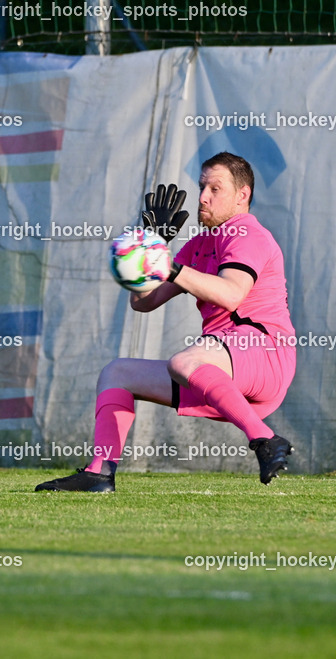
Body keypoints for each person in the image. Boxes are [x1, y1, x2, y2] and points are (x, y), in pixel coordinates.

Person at [36, 152, 296, 492]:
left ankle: (265, 439)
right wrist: (151, 246)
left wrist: (169, 266)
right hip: (222, 367)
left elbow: (231, 294)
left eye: (215, 189)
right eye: (202, 187)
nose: (203, 197)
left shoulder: (246, 233)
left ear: (242, 195)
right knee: (117, 373)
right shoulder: (200, 245)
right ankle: (99, 473)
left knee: (184, 362)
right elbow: (144, 302)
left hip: (264, 353)